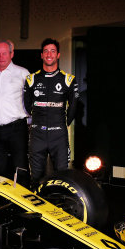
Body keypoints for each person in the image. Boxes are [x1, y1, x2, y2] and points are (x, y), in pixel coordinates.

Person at [24, 38, 78, 186]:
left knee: (61, 177)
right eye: (46, 51)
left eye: (53, 51)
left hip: (58, 136)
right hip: (37, 135)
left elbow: (73, 108)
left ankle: (59, 207)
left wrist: (62, 124)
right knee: (36, 178)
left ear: (58, 55)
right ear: (41, 55)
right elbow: (27, 105)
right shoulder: (31, 79)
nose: (49, 54)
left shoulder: (68, 79)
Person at [0, 40, 30, 182]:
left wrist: (30, 122)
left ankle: (22, 199)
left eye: (4, 53)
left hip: (16, 128)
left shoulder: (22, 73)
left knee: (19, 166)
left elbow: (31, 99)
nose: (1, 56)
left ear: (12, 54)